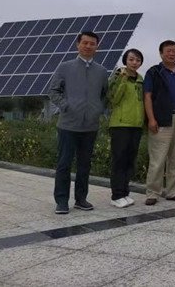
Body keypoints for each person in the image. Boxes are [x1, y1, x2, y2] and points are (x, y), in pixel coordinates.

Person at [49, 31, 108, 214]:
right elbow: (53, 91)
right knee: (64, 164)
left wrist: (98, 109)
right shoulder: (65, 67)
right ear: (78, 44)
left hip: (90, 126)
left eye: (92, 44)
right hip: (68, 125)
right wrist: (66, 106)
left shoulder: (102, 71)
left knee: (85, 164)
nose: (88, 46)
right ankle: (61, 201)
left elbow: (104, 95)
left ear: (97, 47)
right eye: (85, 43)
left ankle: (81, 199)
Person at [143, 40, 175, 205]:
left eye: (174, 51)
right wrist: (151, 119)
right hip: (161, 119)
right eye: (168, 51)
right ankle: (152, 193)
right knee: (158, 158)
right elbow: (147, 96)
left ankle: (172, 191)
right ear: (161, 53)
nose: (172, 54)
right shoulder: (154, 72)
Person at [107, 48, 145, 208]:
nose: (134, 63)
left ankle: (125, 192)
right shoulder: (117, 76)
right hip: (120, 125)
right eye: (131, 59)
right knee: (119, 160)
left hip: (136, 125)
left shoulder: (140, 80)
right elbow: (113, 99)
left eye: (137, 60)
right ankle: (116, 195)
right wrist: (123, 78)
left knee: (130, 161)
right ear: (125, 61)